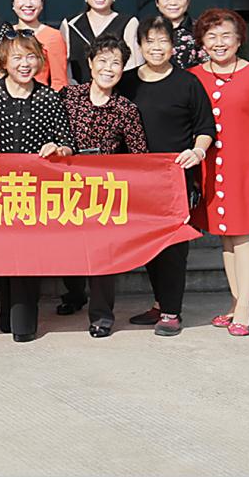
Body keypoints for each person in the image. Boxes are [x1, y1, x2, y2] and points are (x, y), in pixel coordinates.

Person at [190, 8, 249, 337]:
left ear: (239, 39)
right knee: (227, 238)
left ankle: (244, 306)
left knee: (244, 237)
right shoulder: (193, 76)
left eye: (226, 35)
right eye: (211, 36)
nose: (219, 43)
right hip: (211, 170)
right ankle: (235, 302)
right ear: (202, 41)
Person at [118, 17, 214, 337]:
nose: (156, 48)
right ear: (140, 45)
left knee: (174, 247)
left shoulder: (188, 83)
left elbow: (204, 127)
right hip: (137, 180)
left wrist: (198, 152)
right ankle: (160, 303)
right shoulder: (127, 82)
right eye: (150, 41)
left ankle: (172, 311)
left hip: (175, 179)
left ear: (173, 46)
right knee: (150, 244)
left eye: (163, 41)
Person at [0, 32, 74, 342]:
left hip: (34, 191)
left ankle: (24, 321)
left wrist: (57, 148)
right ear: (3, 62)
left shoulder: (48, 97)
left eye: (31, 57)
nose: (25, 64)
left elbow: (67, 142)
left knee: (26, 256)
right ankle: (6, 305)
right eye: (17, 57)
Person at [57, 34, 149, 337]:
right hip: (67, 186)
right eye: (103, 61)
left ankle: (102, 316)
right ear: (90, 63)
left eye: (116, 63)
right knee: (67, 249)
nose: (108, 68)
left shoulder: (126, 109)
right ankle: (74, 294)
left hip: (104, 191)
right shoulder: (69, 96)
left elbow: (139, 155)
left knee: (102, 255)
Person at [59, 0, 141, 85]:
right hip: (77, 91)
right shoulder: (70, 24)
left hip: (117, 91)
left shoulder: (128, 23)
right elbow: (63, 66)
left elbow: (134, 66)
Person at [6, 0, 69, 90]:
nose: (28, 4)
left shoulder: (53, 36)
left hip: (40, 98)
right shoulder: (6, 33)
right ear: (13, 3)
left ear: (42, 3)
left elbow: (59, 82)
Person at [147, 0, 206, 69]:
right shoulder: (147, 30)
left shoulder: (200, 30)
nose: (173, 3)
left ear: (188, 0)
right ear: (157, 2)